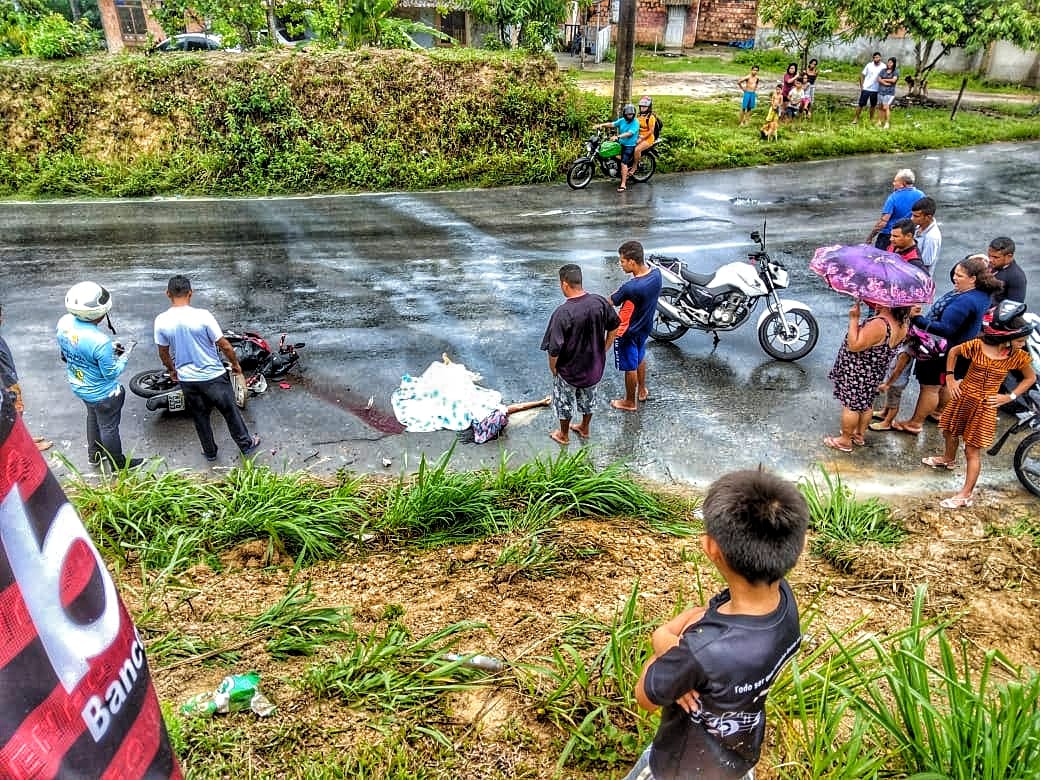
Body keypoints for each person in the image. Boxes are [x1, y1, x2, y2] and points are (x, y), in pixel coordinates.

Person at [625, 468, 808, 780]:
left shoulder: (702, 650)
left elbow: (645, 697)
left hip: (681, 765)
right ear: (800, 546)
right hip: (737, 754)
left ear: (711, 548)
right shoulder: (785, 603)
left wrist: (665, 636)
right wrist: (687, 660)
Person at [922, 309, 1036, 508]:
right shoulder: (977, 345)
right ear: (1006, 337)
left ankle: (966, 494)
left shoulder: (1017, 356)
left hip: (985, 406)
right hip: (963, 396)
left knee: (972, 451)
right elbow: (953, 352)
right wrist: (950, 377)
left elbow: (1030, 378)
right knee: (949, 431)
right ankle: (948, 459)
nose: (1023, 344)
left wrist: (1008, 396)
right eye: (1020, 340)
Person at [154, 275, 262, 462]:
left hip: (188, 379)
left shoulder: (161, 320)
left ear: (167, 294)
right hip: (213, 377)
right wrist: (236, 365)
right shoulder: (203, 316)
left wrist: (172, 370)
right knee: (230, 412)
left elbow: (163, 352)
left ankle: (210, 452)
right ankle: (246, 444)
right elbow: (225, 345)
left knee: (200, 416)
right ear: (190, 293)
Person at [893, 255, 1003, 434]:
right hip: (963, 349)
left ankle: (915, 423)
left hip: (942, 351)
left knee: (930, 387)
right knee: (947, 383)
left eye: (959, 276)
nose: (954, 278)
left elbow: (945, 329)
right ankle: (938, 412)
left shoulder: (964, 301)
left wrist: (918, 319)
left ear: (973, 279)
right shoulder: (983, 294)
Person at [55, 282, 143, 470]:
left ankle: (94, 456)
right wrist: (125, 354)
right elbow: (111, 374)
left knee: (93, 417)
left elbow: (65, 354)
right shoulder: (100, 342)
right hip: (103, 394)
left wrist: (108, 350)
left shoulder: (64, 323)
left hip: (79, 385)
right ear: (101, 314)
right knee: (108, 428)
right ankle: (118, 464)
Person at [541, 264, 620, 445]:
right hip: (593, 367)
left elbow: (554, 348)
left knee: (564, 404)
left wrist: (553, 368)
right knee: (589, 400)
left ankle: (563, 435)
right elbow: (615, 325)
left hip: (569, 371)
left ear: (564, 284)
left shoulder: (563, 313)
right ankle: (584, 428)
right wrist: (605, 348)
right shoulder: (599, 302)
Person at [824, 300, 909, 451]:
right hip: (874, 371)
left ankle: (844, 440)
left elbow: (854, 345)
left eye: (880, 298)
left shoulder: (880, 324)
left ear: (890, 302)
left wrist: (854, 319)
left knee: (851, 404)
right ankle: (858, 435)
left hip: (858, 371)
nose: (876, 301)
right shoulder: (902, 323)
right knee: (866, 403)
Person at [609, 240, 662, 411]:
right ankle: (642, 390)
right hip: (645, 326)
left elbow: (610, 301)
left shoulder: (631, 287)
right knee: (639, 356)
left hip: (628, 331)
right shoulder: (656, 275)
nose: (620, 264)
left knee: (629, 366)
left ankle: (630, 402)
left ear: (632, 261)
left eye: (622, 261)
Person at [0, 304, 51, 450]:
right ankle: (21, 445)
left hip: (10, 381)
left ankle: (23, 438)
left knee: (17, 412)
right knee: (13, 413)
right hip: (6, 384)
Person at [867, 168, 925, 250]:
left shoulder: (893, 197)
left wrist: (870, 236)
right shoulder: (921, 195)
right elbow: (923, 215)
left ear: (903, 184)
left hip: (889, 236)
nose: (893, 183)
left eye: (895, 181)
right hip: (908, 237)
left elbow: (883, 222)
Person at [595, 103, 640, 192]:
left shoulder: (635, 122)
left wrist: (618, 136)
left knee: (623, 162)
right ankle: (616, 170)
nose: (629, 116)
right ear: (624, 114)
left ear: (634, 114)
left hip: (629, 145)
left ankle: (623, 184)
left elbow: (630, 133)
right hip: (620, 143)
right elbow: (612, 124)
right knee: (611, 152)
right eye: (628, 114)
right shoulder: (622, 120)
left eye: (631, 114)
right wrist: (601, 125)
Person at [987, 237, 1027, 304]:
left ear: (1009, 256)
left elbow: (1014, 307)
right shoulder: (990, 265)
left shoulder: (1016, 277)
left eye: (995, 257)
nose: (990, 260)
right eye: (989, 255)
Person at [910, 196, 942, 276]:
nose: (912, 219)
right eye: (912, 215)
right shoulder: (918, 226)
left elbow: (925, 264)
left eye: (916, 216)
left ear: (928, 217)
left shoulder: (932, 237)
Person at [852, 52, 885, 125]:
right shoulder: (869, 65)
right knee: (861, 104)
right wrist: (862, 86)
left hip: (876, 89)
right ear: (873, 58)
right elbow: (861, 75)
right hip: (866, 88)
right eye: (875, 57)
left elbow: (885, 76)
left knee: (873, 105)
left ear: (880, 58)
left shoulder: (883, 66)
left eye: (878, 57)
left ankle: (871, 119)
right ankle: (856, 118)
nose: (877, 59)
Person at [633, 95, 660, 173]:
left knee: (636, 150)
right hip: (638, 136)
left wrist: (641, 138)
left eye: (645, 107)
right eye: (641, 107)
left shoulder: (651, 117)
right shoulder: (638, 116)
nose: (642, 108)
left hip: (648, 138)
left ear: (649, 107)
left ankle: (634, 167)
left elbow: (651, 131)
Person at [877, 57, 899, 129]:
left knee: (886, 107)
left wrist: (883, 79)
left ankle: (887, 123)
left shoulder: (895, 71)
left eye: (891, 63)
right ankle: (879, 121)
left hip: (889, 92)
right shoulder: (883, 70)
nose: (889, 64)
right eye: (888, 62)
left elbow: (893, 80)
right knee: (880, 107)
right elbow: (878, 78)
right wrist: (884, 82)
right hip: (880, 91)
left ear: (894, 64)